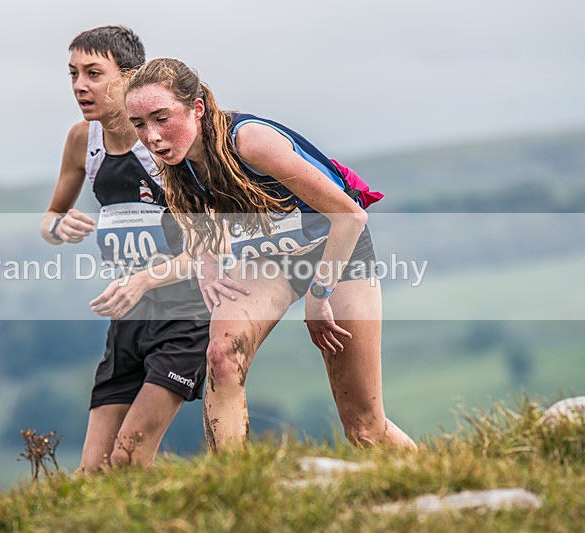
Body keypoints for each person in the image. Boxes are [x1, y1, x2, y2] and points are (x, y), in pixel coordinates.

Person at [124, 58, 417, 452]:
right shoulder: (178, 158)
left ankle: (440, 479)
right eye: (139, 124)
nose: (152, 136)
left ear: (197, 108)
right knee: (222, 358)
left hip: (337, 252)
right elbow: (200, 209)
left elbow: (350, 217)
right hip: (268, 260)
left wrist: (319, 294)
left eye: (161, 118)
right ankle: (235, 479)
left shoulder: (249, 142)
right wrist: (207, 261)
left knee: (364, 428)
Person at [40, 28, 217, 473]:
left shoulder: (162, 144)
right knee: (92, 471)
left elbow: (212, 245)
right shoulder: (82, 140)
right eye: (73, 74)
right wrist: (59, 226)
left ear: (130, 77)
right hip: (128, 318)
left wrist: (145, 279)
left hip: (187, 316)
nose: (80, 86)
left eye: (94, 73)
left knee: (129, 458)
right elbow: (50, 219)